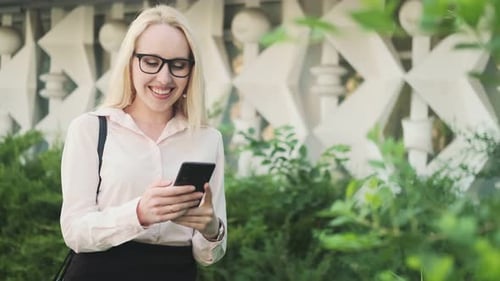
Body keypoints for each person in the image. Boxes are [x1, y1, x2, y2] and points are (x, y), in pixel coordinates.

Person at [59, 4, 226, 281]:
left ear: (191, 70)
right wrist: (138, 213)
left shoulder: (208, 139)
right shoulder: (91, 128)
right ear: (130, 61)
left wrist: (211, 229)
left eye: (178, 65)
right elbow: (74, 232)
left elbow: (208, 255)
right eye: (151, 61)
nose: (164, 78)